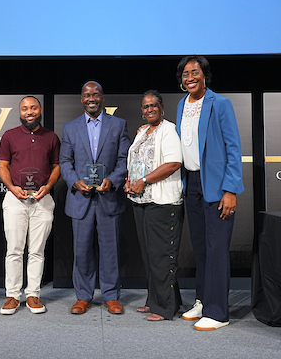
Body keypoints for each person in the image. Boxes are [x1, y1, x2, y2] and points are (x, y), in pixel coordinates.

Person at [175, 55, 244, 331]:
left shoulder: (221, 104)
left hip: (216, 186)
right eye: (185, 74)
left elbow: (234, 148)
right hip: (191, 184)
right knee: (202, 248)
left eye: (194, 72)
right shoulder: (181, 105)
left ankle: (218, 312)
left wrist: (231, 189)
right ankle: (203, 300)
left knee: (217, 250)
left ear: (205, 75)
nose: (189, 77)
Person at [59, 81, 130, 315]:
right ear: (82, 99)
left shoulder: (118, 125)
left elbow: (123, 160)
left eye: (96, 94)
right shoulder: (70, 127)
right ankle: (83, 296)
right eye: (87, 95)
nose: (92, 98)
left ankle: (111, 296)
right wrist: (74, 181)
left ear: (103, 98)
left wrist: (113, 179)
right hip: (81, 199)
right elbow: (65, 162)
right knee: (81, 251)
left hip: (109, 197)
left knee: (110, 249)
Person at [0, 96, 61, 315]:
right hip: (15, 200)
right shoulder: (9, 136)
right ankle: (12, 296)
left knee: (37, 251)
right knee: (14, 250)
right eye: (25, 109)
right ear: (20, 112)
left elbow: (56, 166)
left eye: (33, 108)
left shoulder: (51, 137)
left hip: (43, 199)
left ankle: (33, 294)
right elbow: (2, 166)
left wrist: (49, 186)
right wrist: (12, 188)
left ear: (40, 109)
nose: (29, 112)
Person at [125, 90, 184, 321]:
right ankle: (155, 300)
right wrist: (130, 182)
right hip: (141, 201)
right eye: (145, 106)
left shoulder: (168, 130)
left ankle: (165, 308)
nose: (148, 109)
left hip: (163, 202)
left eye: (153, 106)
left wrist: (143, 181)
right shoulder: (142, 132)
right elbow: (136, 161)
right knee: (150, 256)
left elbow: (173, 163)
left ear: (161, 108)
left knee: (162, 256)